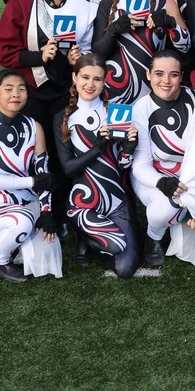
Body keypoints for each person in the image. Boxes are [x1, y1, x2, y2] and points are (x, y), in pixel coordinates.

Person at [0, 0, 97, 236]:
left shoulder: (81, 6)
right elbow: (2, 51)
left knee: (63, 154)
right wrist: (39, 56)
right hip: (32, 92)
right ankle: (37, 212)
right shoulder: (22, 1)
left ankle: (63, 213)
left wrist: (78, 59)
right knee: (36, 156)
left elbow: (85, 51)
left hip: (65, 92)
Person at [0, 70, 59, 284]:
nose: (15, 94)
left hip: (25, 200)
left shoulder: (34, 127)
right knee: (23, 223)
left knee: (49, 248)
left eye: (21, 89)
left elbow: (43, 173)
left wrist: (46, 212)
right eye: (7, 89)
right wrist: (33, 182)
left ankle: (19, 243)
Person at [131, 50, 195, 267]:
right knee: (166, 209)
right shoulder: (140, 108)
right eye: (159, 74)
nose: (166, 81)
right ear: (148, 74)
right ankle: (153, 237)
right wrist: (162, 182)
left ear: (181, 76)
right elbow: (140, 165)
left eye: (174, 75)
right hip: (155, 175)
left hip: (191, 176)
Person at [56, 55, 140, 278]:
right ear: (74, 78)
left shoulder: (115, 112)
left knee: (125, 270)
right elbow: (68, 169)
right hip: (83, 201)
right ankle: (84, 234)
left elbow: (122, 165)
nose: (90, 84)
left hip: (115, 199)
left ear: (104, 82)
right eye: (85, 77)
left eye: (97, 79)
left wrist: (129, 148)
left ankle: (89, 236)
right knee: (115, 245)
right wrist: (97, 147)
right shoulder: (63, 118)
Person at [92, 0, 190, 106]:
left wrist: (170, 24)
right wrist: (114, 30)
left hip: (153, 91)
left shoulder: (164, 0)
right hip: (115, 91)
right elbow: (97, 54)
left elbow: (185, 45)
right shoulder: (108, 3)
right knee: (120, 133)